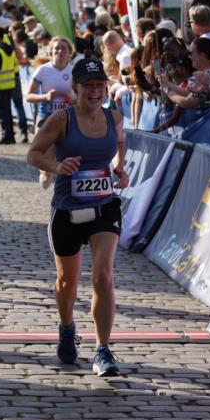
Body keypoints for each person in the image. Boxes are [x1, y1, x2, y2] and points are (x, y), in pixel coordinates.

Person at [27, 58, 130, 377]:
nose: (95, 91)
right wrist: (57, 166)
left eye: (100, 85)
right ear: (76, 89)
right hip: (67, 209)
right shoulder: (62, 119)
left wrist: (119, 167)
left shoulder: (114, 117)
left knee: (103, 275)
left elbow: (120, 141)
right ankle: (67, 326)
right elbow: (34, 153)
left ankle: (102, 349)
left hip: (104, 206)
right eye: (88, 86)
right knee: (67, 281)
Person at [0, 26, 19, 144]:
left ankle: (6, 136)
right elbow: (15, 67)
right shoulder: (10, 49)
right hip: (10, 84)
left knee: (2, 113)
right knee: (8, 112)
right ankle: (10, 135)